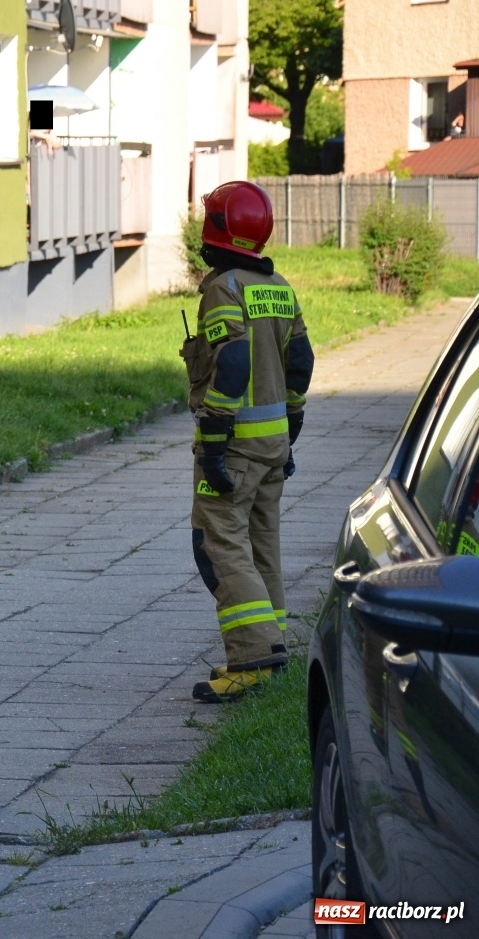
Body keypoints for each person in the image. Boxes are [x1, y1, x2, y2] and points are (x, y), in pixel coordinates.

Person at [181, 180, 313, 703]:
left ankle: (253, 659)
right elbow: (300, 363)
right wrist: (290, 430)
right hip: (273, 443)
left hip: (234, 445)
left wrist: (214, 440)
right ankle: (272, 646)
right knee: (262, 543)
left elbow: (233, 363)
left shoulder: (224, 289)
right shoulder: (278, 285)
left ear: (217, 231)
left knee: (218, 544)